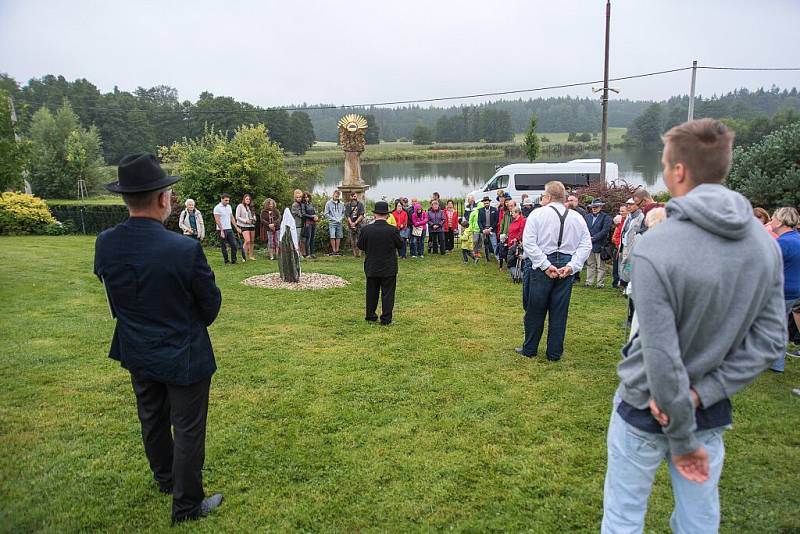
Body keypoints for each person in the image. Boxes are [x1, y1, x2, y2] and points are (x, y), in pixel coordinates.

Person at [601, 119, 785, 534]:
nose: (665, 172)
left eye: (665, 165)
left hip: (644, 407)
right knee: (699, 520)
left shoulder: (657, 247)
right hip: (709, 408)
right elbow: (770, 338)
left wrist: (683, 436)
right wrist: (705, 395)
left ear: (679, 171)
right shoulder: (763, 244)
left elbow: (662, 357)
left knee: (623, 519)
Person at [94, 153, 223, 524]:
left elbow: (114, 295)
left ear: (125, 198)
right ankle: (185, 505)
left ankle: (166, 479)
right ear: (164, 198)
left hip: (137, 346)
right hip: (183, 352)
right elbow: (210, 305)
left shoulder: (106, 243)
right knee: (187, 428)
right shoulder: (183, 248)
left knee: (151, 417)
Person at [516, 181, 591, 361]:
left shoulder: (537, 214)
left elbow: (529, 243)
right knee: (559, 311)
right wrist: (572, 265)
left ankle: (530, 349)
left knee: (535, 309)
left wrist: (545, 265)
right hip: (564, 263)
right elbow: (586, 244)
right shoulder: (576, 217)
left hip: (544, 263)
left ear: (548, 197)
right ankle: (554, 353)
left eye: (543, 195)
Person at [358, 201, 403, 325]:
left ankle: (370, 315)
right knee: (388, 294)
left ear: (375, 215)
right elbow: (400, 244)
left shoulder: (366, 229)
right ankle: (386, 319)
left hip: (372, 265)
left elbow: (360, 245)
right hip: (388, 267)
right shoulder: (392, 230)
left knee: (371, 292)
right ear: (387, 215)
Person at [768, 207, 800, 373]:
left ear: (780, 221)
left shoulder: (783, 243)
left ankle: (776, 363)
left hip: (783, 291)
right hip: (795, 291)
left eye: (773, 218)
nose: (771, 221)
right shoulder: (797, 239)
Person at [584, 199, 612, 288]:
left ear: (600, 207)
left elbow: (605, 231)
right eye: (593, 207)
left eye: (596, 207)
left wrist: (594, 238)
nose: (594, 209)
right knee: (590, 264)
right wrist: (587, 238)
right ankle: (589, 282)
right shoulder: (587, 217)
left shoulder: (606, 217)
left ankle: (600, 284)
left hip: (600, 244)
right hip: (589, 244)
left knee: (600, 266)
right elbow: (584, 228)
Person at [213, 193, 240, 264]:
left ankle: (234, 260)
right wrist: (221, 230)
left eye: (228, 200)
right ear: (221, 199)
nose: (227, 202)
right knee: (224, 246)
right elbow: (217, 220)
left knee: (234, 244)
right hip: (221, 229)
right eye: (226, 200)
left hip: (229, 228)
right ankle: (226, 260)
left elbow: (232, 217)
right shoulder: (217, 208)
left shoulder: (229, 207)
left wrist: (236, 227)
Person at [324, 190, 345, 256]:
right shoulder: (328, 203)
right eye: (336, 196)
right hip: (332, 222)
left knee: (339, 236)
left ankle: (337, 250)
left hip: (339, 222)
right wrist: (333, 219)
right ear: (333, 195)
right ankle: (333, 250)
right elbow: (326, 214)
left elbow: (343, 213)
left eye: (338, 196)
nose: (337, 197)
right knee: (332, 236)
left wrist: (341, 219)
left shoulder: (341, 203)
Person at [236, 194, 257, 261]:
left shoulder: (251, 207)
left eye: (249, 199)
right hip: (244, 225)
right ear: (244, 199)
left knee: (252, 241)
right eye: (247, 199)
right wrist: (245, 221)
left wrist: (253, 219)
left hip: (251, 225)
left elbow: (254, 216)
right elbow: (237, 217)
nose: (248, 200)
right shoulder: (240, 206)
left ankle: (251, 255)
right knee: (247, 240)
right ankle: (243, 256)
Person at [477, 196, 499, 261]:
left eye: (487, 203)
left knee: (494, 244)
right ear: (483, 203)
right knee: (485, 245)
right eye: (485, 203)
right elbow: (479, 221)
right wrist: (482, 230)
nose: (486, 204)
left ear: (489, 202)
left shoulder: (494, 209)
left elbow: (496, 220)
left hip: (492, 229)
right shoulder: (480, 210)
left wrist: (490, 229)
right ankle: (487, 258)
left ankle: (498, 258)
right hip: (484, 230)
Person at [611, 204, 627, 288]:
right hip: (618, 248)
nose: (621, 213)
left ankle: (626, 282)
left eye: (623, 211)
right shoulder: (618, 221)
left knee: (627, 266)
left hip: (626, 248)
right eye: (620, 211)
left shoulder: (629, 221)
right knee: (616, 266)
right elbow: (615, 236)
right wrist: (618, 243)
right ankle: (616, 282)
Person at [346, 192, 365, 257]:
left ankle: (359, 253)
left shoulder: (360, 204)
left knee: (359, 239)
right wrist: (351, 223)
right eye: (353, 196)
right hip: (350, 225)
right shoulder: (348, 205)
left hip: (359, 224)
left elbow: (361, 215)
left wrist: (355, 222)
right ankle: (354, 254)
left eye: (355, 196)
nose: (354, 197)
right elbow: (347, 215)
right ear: (350, 197)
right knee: (352, 240)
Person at [300, 191, 318, 259]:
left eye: (307, 197)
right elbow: (303, 214)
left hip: (313, 223)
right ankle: (308, 254)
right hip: (307, 223)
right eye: (305, 197)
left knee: (312, 239)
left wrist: (316, 216)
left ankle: (312, 253)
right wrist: (312, 217)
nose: (306, 198)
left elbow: (314, 212)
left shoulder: (311, 204)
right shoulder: (303, 204)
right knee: (308, 238)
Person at [290, 189, 305, 257]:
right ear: (295, 198)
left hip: (302, 224)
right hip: (297, 225)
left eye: (300, 197)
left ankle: (302, 253)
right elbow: (301, 215)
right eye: (297, 197)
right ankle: (297, 254)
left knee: (302, 240)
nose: (299, 198)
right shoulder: (295, 205)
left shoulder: (301, 204)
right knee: (297, 240)